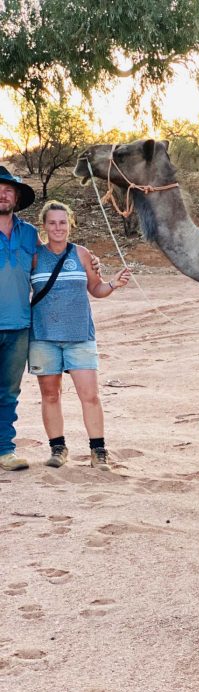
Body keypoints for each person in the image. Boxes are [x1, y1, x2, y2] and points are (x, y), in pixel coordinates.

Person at [29, 200, 131, 470]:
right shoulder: (35, 256)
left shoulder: (83, 254)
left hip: (80, 336)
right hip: (43, 336)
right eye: (52, 222)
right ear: (45, 226)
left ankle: (98, 451)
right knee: (50, 395)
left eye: (63, 222)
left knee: (90, 395)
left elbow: (95, 289)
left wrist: (112, 284)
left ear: (70, 223)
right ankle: (58, 449)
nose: (58, 227)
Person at [0, 166, 38, 471]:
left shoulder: (30, 234)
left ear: (16, 196)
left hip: (19, 326)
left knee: (9, 392)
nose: (3, 194)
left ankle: (4, 450)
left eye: (8, 189)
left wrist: (84, 257)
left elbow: (49, 260)